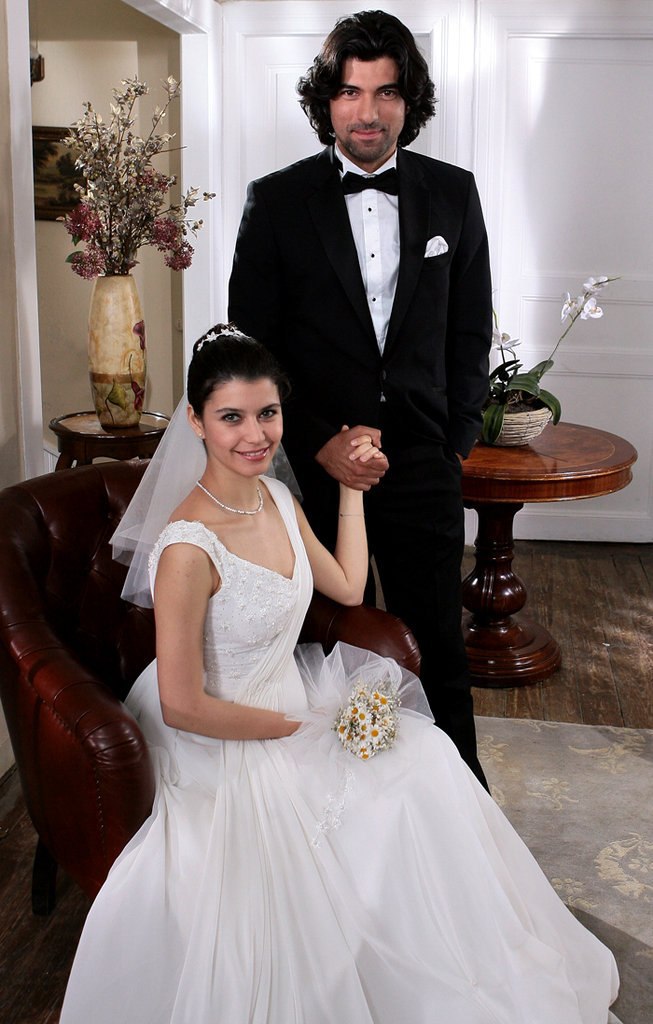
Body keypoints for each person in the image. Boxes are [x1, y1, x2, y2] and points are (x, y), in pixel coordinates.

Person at [59, 324, 618, 1024]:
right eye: (231, 417)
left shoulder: (276, 499)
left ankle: (454, 953)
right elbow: (183, 706)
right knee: (365, 817)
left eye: (268, 413)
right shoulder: (186, 548)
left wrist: (351, 487)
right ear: (196, 422)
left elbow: (349, 587)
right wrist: (305, 726)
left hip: (291, 695)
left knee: (428, 759)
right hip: (219, 734)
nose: (255, 435)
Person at [228, 10, 492, 786]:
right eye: (348, 92)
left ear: (410, 101)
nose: (366, 112)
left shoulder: (453, 193)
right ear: (325, 103)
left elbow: (470, 325)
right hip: (311, 466)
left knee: (435, 644)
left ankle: (460, 803)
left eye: (385, 92)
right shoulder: (276, 200)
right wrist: (317, 441)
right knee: (314, 642)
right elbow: (253, 347)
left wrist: (454, 438)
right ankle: (325, 804)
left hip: (421, 458)